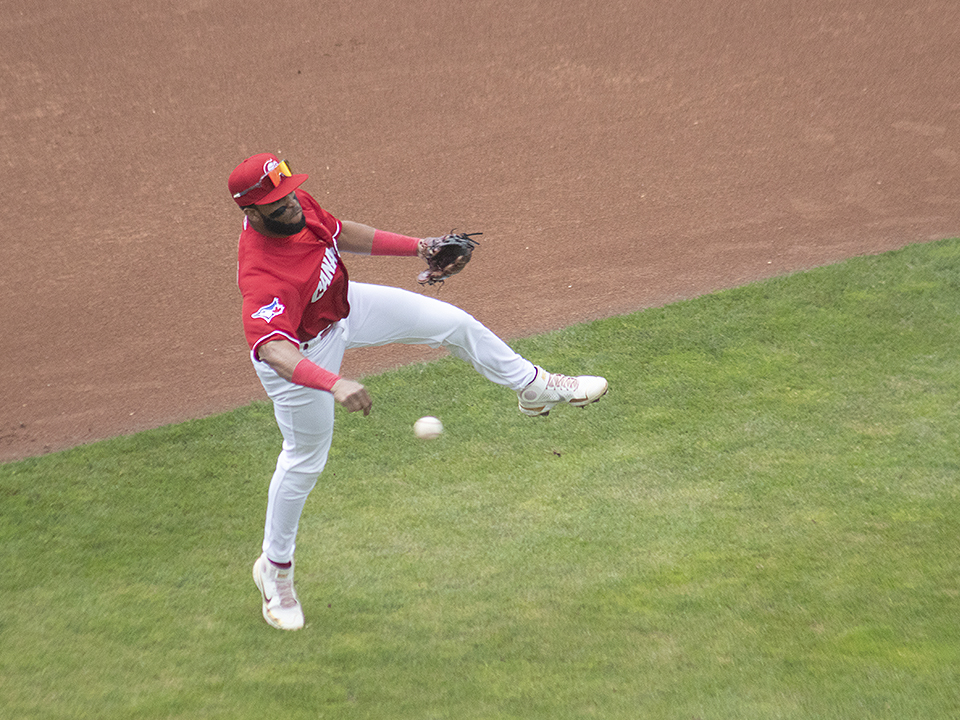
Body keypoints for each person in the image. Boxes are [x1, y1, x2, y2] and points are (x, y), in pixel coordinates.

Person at [228, 152, 609, 630]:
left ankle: (534, 387)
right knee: (305, 459)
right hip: (303, 354)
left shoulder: (295, 205)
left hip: (342, 309)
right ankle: (275, 570)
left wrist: (420, 247)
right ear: (253, 212)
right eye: (279, 203)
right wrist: (334, 382)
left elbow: (338, 231)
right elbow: (272, 350)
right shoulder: (263, 275)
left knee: (453, 323)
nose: (292, 205)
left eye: (289, 193)